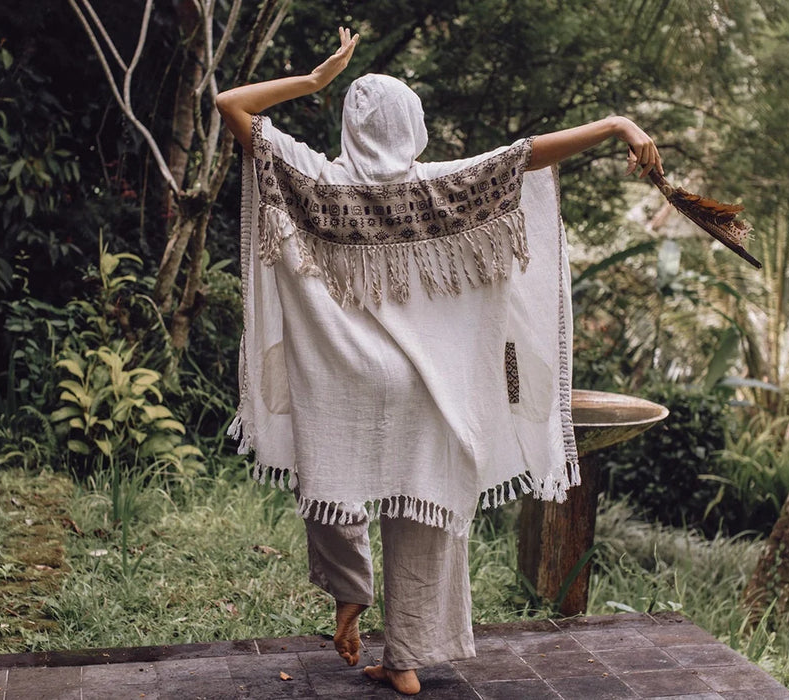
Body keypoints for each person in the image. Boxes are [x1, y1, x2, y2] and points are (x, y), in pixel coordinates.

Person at [216, 27, 662, 695]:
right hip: (426, 390)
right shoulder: (443, 188)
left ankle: (349, 589)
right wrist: (617, 124)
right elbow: (530, 154)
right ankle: (406, 659)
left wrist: (314, 79)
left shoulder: (316, 179)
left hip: (342, 378)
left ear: (351, 127)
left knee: (329, 475)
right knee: (425, 513)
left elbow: (231, 104)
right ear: (414, 127)